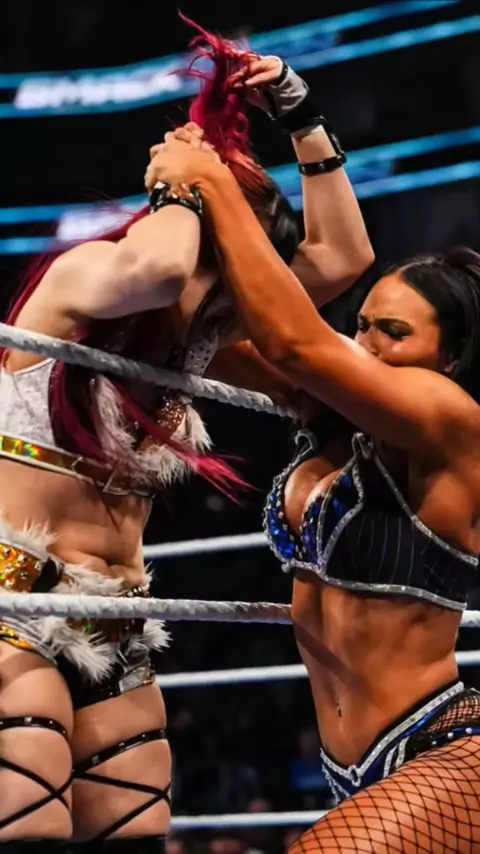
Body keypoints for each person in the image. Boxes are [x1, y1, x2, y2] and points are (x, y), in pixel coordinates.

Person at [0, 23, 371, 854]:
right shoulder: (81, 280)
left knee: (137, 832)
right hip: (12, 597)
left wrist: (302, 116)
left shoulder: (205, 331)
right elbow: (162, 268)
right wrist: (184, 183)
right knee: (28, 824)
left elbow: (343, 257)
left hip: (119, 614)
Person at [146, 124, 480, 851]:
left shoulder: (453, 421)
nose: (367, 347)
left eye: (394, 333)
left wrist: (208, 181)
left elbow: (297, 341)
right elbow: (203, 341)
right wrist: (190, 214)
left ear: (451, 358)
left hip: (446, 750)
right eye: (362, 326)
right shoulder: (331, 413)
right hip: (350, 768)